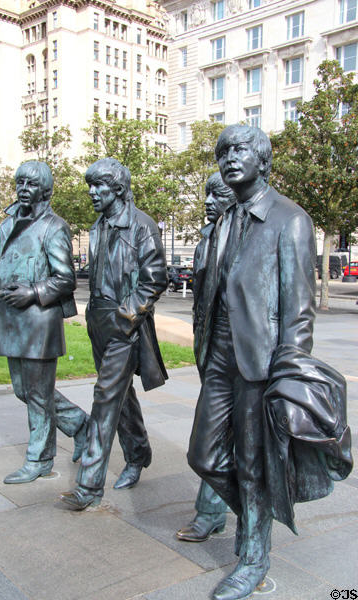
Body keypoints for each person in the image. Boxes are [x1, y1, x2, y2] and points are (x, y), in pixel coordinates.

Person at [187, 125, 317, 600]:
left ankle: (255, 556)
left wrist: (290, 377)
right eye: (223, 152)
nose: (229, 158)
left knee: (252, 461)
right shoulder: (225, 219)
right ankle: (251, 515)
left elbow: (299, 312)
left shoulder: (290, 220)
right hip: (219, 355)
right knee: (203, 454)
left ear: (262, 161)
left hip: (260, 361)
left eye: (240, 150)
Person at [60, 158, 168, 510]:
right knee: (121, 397)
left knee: (105, 398)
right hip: (99, 323)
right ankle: (138, 454)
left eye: (99, 187)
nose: (92, 193)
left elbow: (155, 279)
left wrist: (126, 317)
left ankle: (89, 487)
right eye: (90, 186)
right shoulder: (98, 226)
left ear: (118, 189)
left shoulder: (141, 226)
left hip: (125, 324)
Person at [0, 161, 88, 484]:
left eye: (31, 184)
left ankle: (40, 458)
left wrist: (32, 292)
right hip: (12, 320)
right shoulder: (9, 224)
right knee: (26, 390)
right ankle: (80, 426)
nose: (23, 189)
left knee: (36, 393)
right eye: (19, 182)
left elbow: (66, 279)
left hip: (38, 321)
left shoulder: (54, 227)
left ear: (45, 190)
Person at [177, 172, 233, 543]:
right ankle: (215, 510)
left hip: (247, 352)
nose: (208, 202)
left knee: (228, 438)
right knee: (210, 438)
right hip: (211, 349)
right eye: (207, 194)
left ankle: (214, 510)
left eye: (218, 194)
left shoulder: (254, 236)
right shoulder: (205, 242)